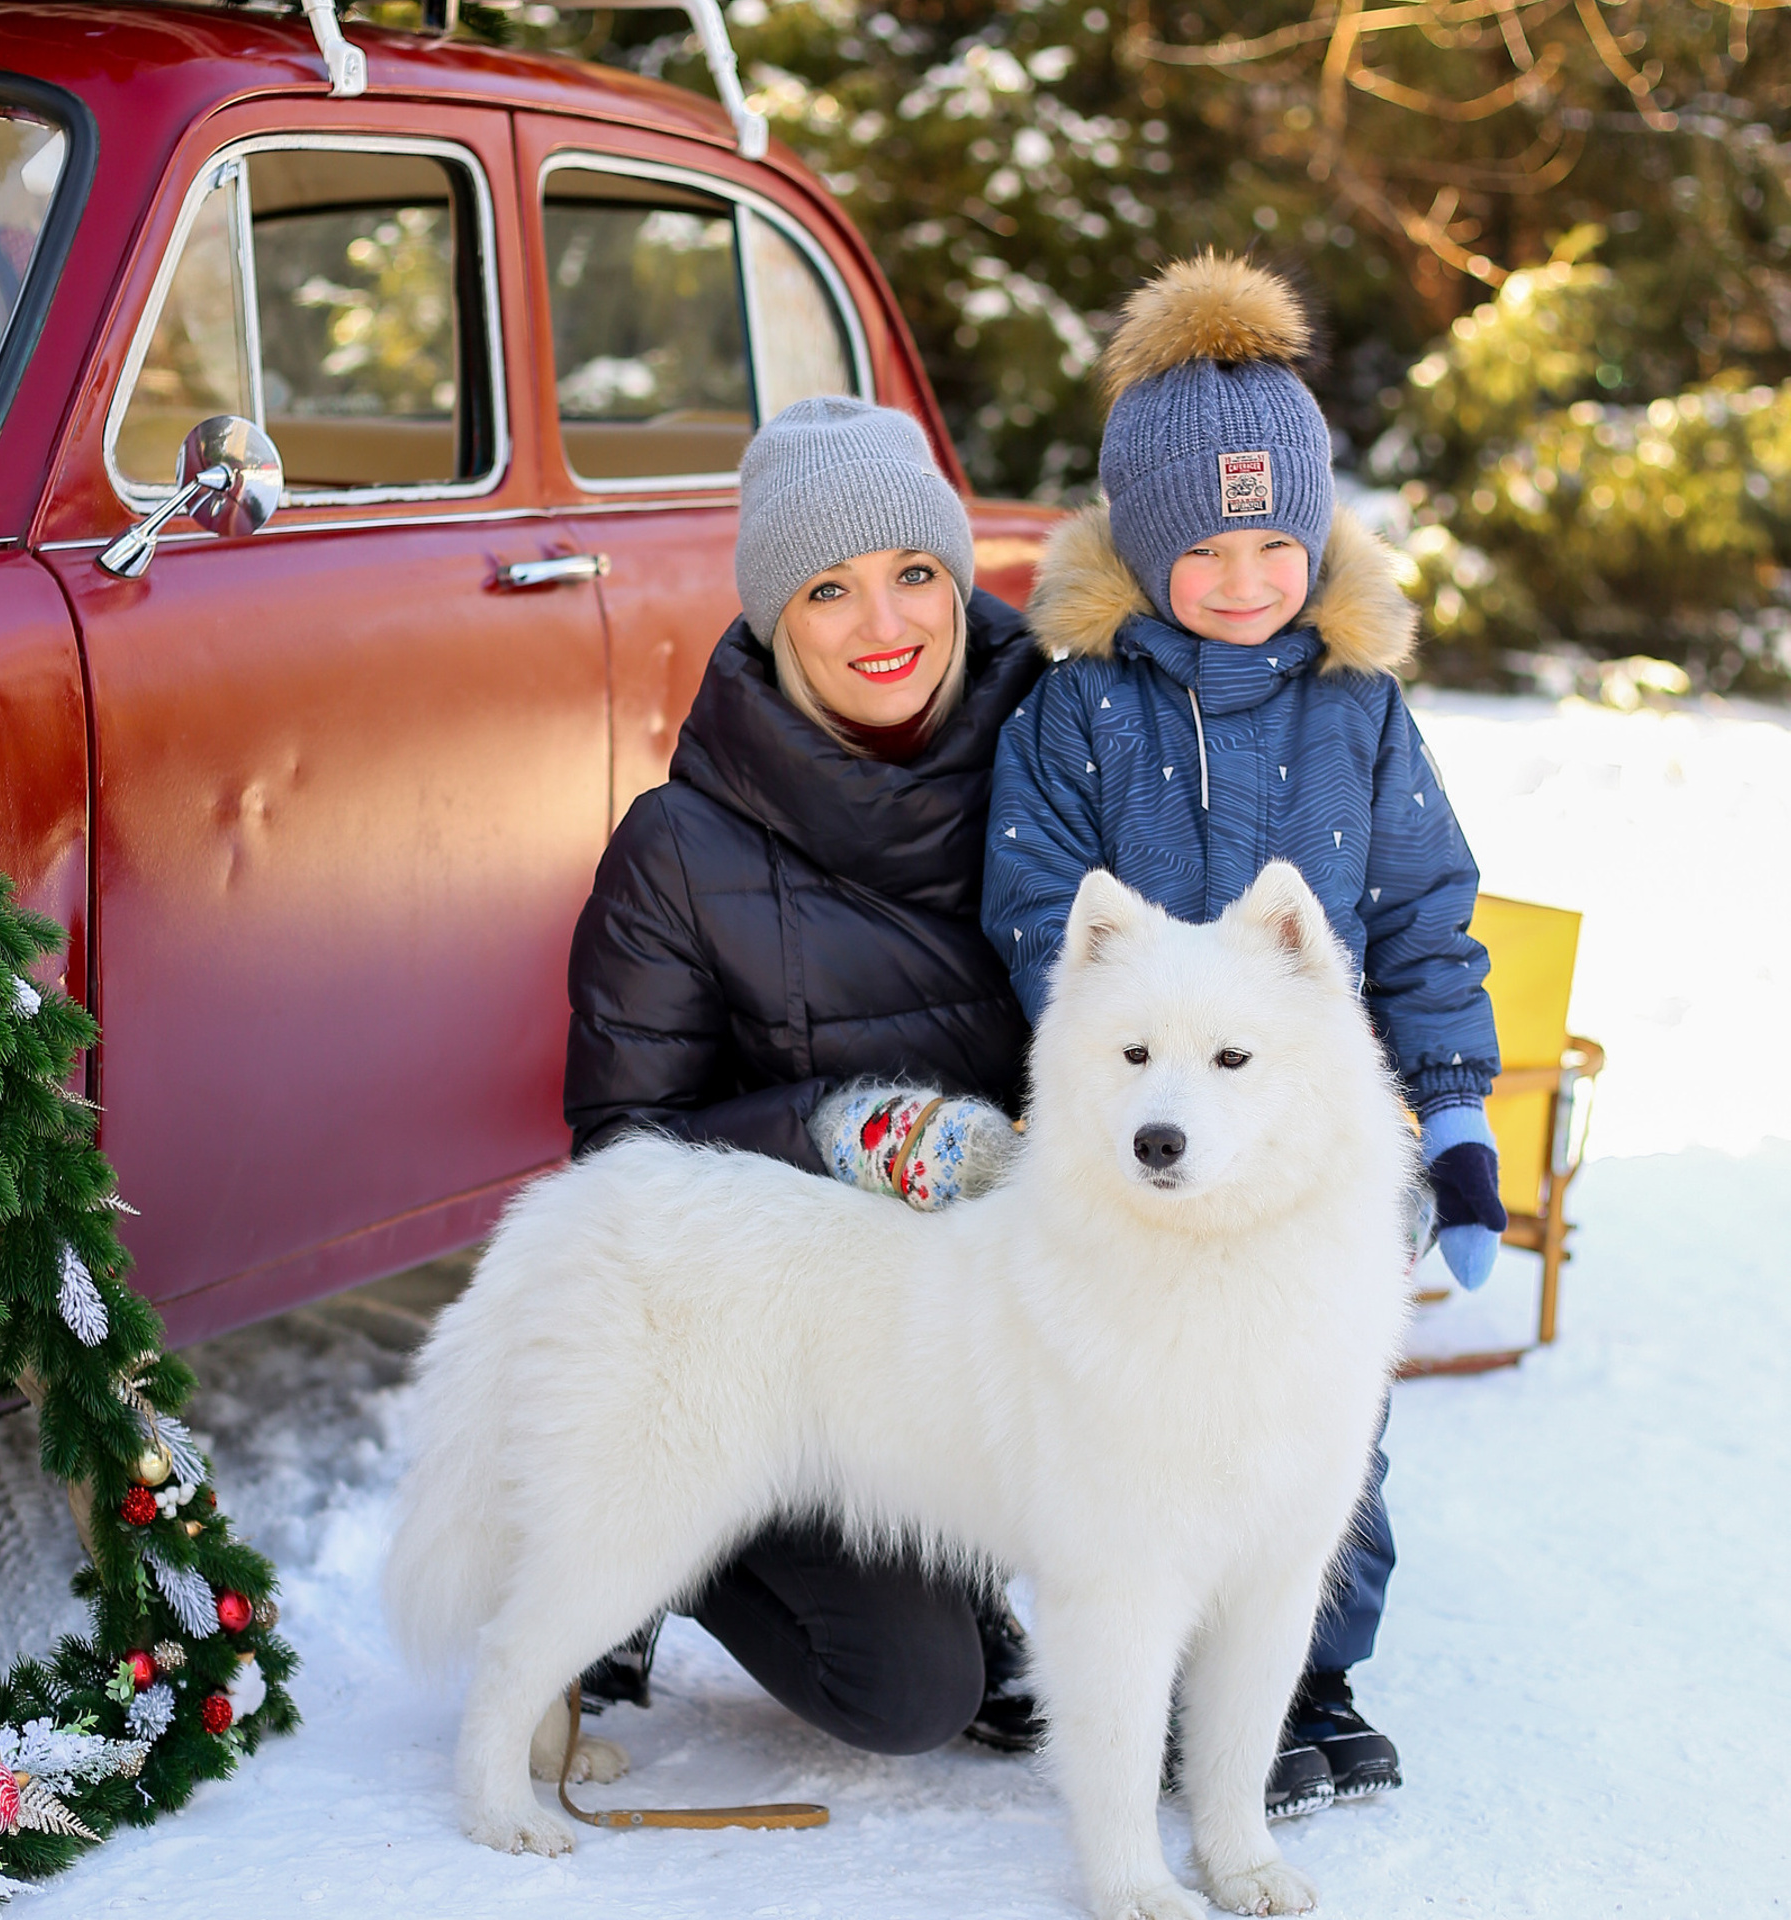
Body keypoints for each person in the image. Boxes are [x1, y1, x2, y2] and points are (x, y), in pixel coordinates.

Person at [979, 254, 1508, 1814]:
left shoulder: (1361, 713)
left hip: (1305, 1154)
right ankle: (1151, 1678)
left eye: (1276, 541)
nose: (1242, 577)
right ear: (1145, 549)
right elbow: (1039, 914)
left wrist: (1456, 1110)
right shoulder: (1079, 710)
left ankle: (1306, 1677)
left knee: (1330, 1419)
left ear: (1319, 540)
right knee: (1140, 1418)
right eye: (1203, 548)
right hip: (1147, 1143)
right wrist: (1110, 1072)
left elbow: (1422, 917)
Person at [562, 395, 1042, 1757]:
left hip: (986, 1332)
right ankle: (657, 1541)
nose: (883, 622)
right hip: (772, 1366)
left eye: (914, 572)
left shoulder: (1064, 773)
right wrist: (844, 1136)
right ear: (775, 618)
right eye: (828, 589)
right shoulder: (679, 850)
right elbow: (620, 1165)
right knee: (911, 1693)